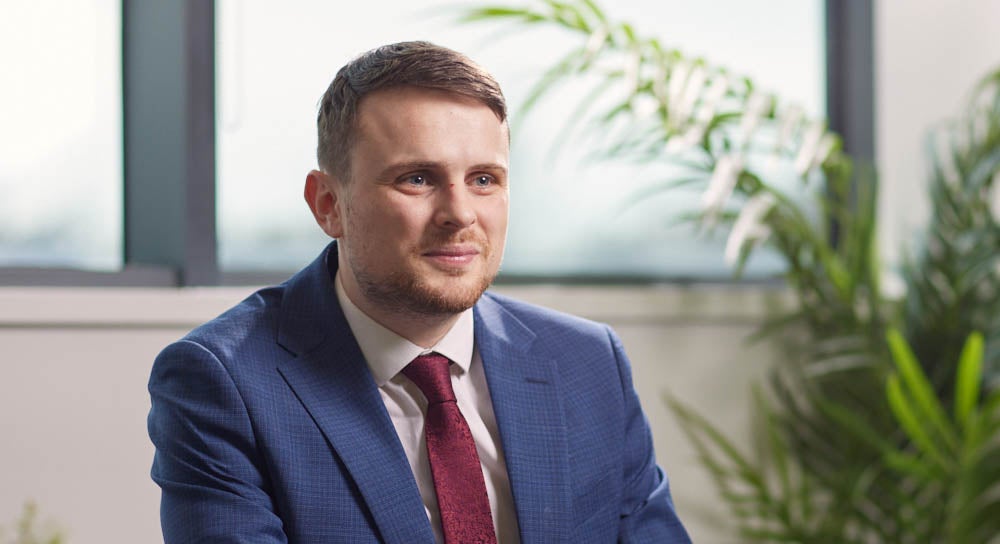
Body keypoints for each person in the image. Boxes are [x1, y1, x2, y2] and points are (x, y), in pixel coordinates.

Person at [147, 40, 691, 544]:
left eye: (483, 180)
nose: (459, 214)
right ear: (328, 204)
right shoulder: (223, 382)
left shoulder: (588, 363)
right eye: (418, 179)